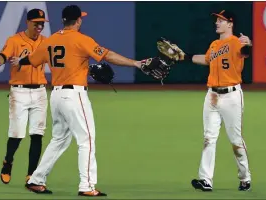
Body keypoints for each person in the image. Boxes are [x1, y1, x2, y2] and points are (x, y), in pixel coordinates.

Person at [10, 4, 162, 197]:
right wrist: (136, 63)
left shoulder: (50, 40)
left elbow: (32, 59)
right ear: (78, 20)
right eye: (81, 18)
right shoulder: (81, 39)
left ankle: (36, 180)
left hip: (56, 96)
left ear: (64, 20)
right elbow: (108, 55)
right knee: (86, 139)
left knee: (59, 139)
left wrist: (19, 61)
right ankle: (87, 186)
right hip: (74, 96)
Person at [180, 10, 252, 191]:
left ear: (230, 24)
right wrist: (184, 56)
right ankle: (206, 180)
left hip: (232, 96)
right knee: (209, 138)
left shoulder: (237, 42)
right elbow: (206, 60)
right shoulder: (214, 45)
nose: (217, 23)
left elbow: (246, 52)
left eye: (222, 20)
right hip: (212, 95)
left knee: (235, 140)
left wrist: (248, 43)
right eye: (217, 20)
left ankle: (245, 177)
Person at [0, 8, 49, 185]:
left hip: (40, 92)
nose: (39, 26)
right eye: (36, 23)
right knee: (17, 134)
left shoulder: (46, 42)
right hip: (19, 92)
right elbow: (3, 54)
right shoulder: (15, 40)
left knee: (37, 134)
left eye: (42, 23)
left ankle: (31, 174)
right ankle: (8, 162)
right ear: (28, 22)